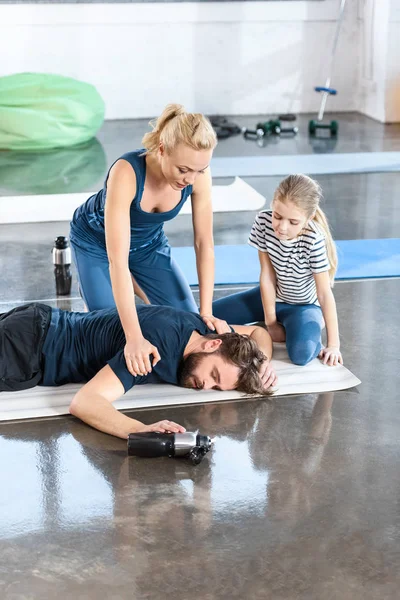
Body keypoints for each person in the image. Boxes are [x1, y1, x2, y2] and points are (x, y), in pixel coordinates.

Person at [70, 103, 224, 380]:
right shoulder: (127, 171)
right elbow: (117, 260)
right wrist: (134, 338)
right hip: (97, 244)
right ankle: (101, 290)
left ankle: (138, 283)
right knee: (110, 331)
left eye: (199, 171)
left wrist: (207, 310)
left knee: (190, 325)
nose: (190, 179)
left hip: (148, 246)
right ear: (162, 149)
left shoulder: (197, 174)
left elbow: (205, 244)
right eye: (183, 169)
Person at [0, 302, 277, 439]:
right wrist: (141, 429)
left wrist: (263, 361)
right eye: (214, 376)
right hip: (31, 350)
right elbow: (85, 402)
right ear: (212, 346)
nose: (206, 385)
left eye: (216, 388)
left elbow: (256, 331)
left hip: (38, 320)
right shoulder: (154, 348)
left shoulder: (207, 332)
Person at [213, 174, 342, 367]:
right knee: (207, 317)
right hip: (270, 297)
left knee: (301, 355)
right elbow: (267, 275)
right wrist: (271, 323)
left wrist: (334, 344)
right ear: (273, 204)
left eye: (293, 222)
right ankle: (268, 325)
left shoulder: (314, 240)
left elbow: (323, 294)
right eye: (278, 216)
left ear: (309, 218)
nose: (282, 227)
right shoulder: (263, 222)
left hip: (303, 306)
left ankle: (313, 324)